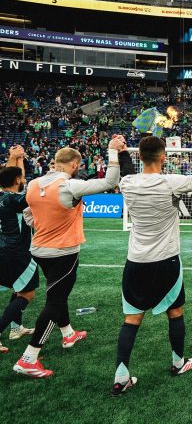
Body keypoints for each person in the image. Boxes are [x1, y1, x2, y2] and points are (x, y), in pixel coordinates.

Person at [110, 131, 192, 396]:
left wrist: (120, 150)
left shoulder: (127, 182)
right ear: (163, 157)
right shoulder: (171, 182)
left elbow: (127, 168)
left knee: (131, 318)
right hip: (167, 260)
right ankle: (177, 363)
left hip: (137, 261)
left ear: (141, 157)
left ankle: (120, 377)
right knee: (175, 313)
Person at [14, 136, 124, 378]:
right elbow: (110, 181)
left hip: (39, 249)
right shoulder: (69, 185)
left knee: (57, 293)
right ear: (74, 165)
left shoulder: (34, 184)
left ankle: (68, 334)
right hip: (63, 251)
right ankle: (29, 357)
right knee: (55, 301)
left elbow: (28, 215)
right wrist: (113, 151)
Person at [0, 147, 36, 353]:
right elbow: (22, 186)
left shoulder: (4, 196)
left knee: (18, 288)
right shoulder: (15, 201)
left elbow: (15, 180)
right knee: (26, 294)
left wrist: (17, 158)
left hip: (3, 248)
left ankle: (16, 328)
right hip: (18, 252)